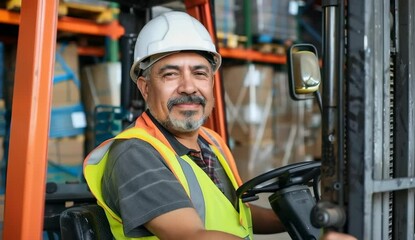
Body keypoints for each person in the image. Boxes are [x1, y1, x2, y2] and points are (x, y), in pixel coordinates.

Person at [84, 11, 356, 240]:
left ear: (212, 83)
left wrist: (306, 215)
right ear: (145, 87)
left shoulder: (210, 142)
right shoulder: (135, 153)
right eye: (170, 74)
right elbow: (191, 235)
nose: (189, 87)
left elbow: (238, 217)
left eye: (200, 73)